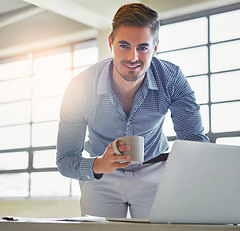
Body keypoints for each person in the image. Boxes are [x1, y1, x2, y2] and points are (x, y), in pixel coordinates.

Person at [56, 3, 209, 218]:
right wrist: (99, 164)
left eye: (143, 47)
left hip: (156, 171)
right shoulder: (80, 88)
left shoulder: (172, 78)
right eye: (124, 45)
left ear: (155, 48)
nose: (133, 57)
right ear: (110, 43)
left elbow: (193, 141)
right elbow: (65, 160)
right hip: (101, 175)